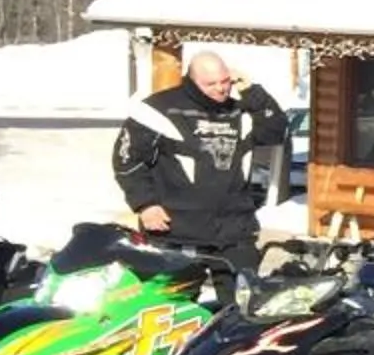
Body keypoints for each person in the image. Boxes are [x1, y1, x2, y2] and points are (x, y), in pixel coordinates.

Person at [112, 48, 292, 277]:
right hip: (175, 230)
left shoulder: (241, 110)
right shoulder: (159, 110)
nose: (221, 88)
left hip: (234, 230)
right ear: (192, 80)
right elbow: (127, 160)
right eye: (211, 84)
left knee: (242, 305)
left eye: (225, 81)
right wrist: (145, 204)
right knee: (171, 305)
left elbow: (275, 131)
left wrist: (252, 92)